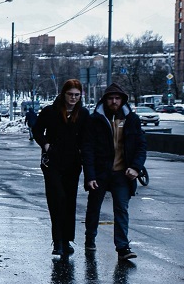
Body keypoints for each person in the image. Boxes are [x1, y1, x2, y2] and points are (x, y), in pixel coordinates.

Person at [82, 83, 146, 261]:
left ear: (122, 100)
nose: (114, 101)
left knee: (121, 210)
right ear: (105, 100)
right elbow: (87, 149)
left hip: (122, 174)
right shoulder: (95, 119)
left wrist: (136, 167)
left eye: (117, 98)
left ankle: (122, 248)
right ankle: (90, 238)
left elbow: (141, 145)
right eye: (110, 98)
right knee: (94, 208)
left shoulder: (131, 119)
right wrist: (90, 176)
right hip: (100, 173)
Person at [32, 80, 89, 258]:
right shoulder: (51, 111)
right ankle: (57, 241)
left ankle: (66, 241)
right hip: (52, 163)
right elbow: (37, 130)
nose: (73, 98)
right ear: (63, 94)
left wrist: (82, 155)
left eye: (76, 95)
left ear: (81, 96)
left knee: (70, 201)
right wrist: (46, 145)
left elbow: (87, 138)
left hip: (73, 164)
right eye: (70, 94)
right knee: (57, 199)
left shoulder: (83, 113)